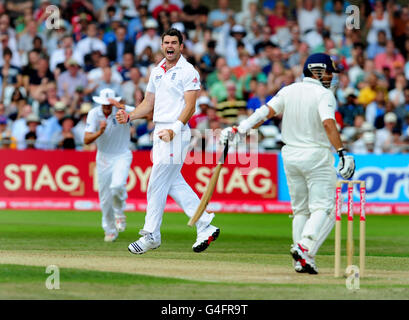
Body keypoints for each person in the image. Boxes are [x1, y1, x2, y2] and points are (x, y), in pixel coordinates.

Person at [220, 53, 355, 274]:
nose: (332, 76)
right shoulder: (324, 95)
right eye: (329, 71)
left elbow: (264, 113)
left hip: (290, 156)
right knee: (325, 207)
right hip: (316, 156)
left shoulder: (289, 90)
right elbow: (329, 123)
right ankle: (305, 248)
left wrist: (238, 130)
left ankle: (301, 260)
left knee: (300, 210)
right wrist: (341, 153)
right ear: (318, 71)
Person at [115, 28, 219, 254]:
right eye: (166, 43)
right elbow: (148, 103)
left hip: (176, 131)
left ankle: (151, 234)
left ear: (181, 46)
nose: (170, 46)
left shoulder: (188, 71)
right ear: (162, 46)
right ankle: (205, 224)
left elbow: (190, 106)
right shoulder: (157, 71)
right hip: (160, 131)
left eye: (174, 43)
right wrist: (130, 116)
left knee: (156, 182)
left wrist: (174, 129)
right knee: (172, 183)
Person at [84, 88, 135, 242]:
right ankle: (110, 230)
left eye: (109, 104)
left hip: (122, 154)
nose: (106, 107)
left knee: (117, 186)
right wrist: (100, 132)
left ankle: (119, 213)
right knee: (105, 198)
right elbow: (86, 140)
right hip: (103, 157)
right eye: (104, 104)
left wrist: (121, 107)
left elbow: (147, 114)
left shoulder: (122, 110)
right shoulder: (94, 113)